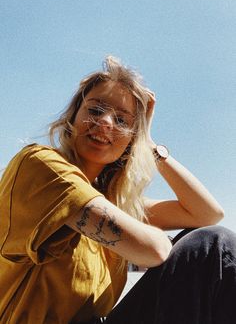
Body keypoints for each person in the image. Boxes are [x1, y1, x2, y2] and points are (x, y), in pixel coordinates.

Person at [0, 56, 235, 324]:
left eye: (122, 121)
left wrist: (148, 143)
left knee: (212, 245)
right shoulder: (43, 167)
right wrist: (169, 248)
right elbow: (154, 251)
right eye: (96, 110)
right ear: (73, 116)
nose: (107, 122)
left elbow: (208, 214)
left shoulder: (113, 203)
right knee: (208, 245)